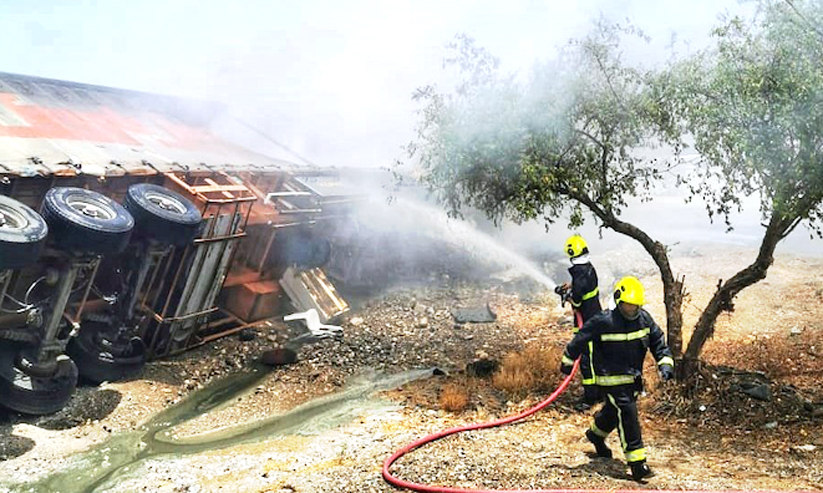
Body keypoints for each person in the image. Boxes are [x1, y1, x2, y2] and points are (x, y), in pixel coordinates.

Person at [560, 276, 674, 481]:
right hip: (609, 379)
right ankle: (637, 464)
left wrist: (665, 363)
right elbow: (580, 339)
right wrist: (568, 361)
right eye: (628, 306)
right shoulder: (604, 320)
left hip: (632, 380)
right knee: (627, 412)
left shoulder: (644, 319)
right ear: (619, 301)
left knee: (614, 412)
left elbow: (658, 340)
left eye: (635, 306)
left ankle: (595, 434)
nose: (631, 310)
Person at [558, 234, 602, 408]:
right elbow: (583, 288)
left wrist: (568, 296)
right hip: (594, 318)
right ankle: (600, 393)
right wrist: (571, 287)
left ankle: (590, 398)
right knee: (596, 358)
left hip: (587, 323)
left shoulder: (579, 273)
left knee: (587, 360)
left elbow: (577, 301)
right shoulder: (588, 268)